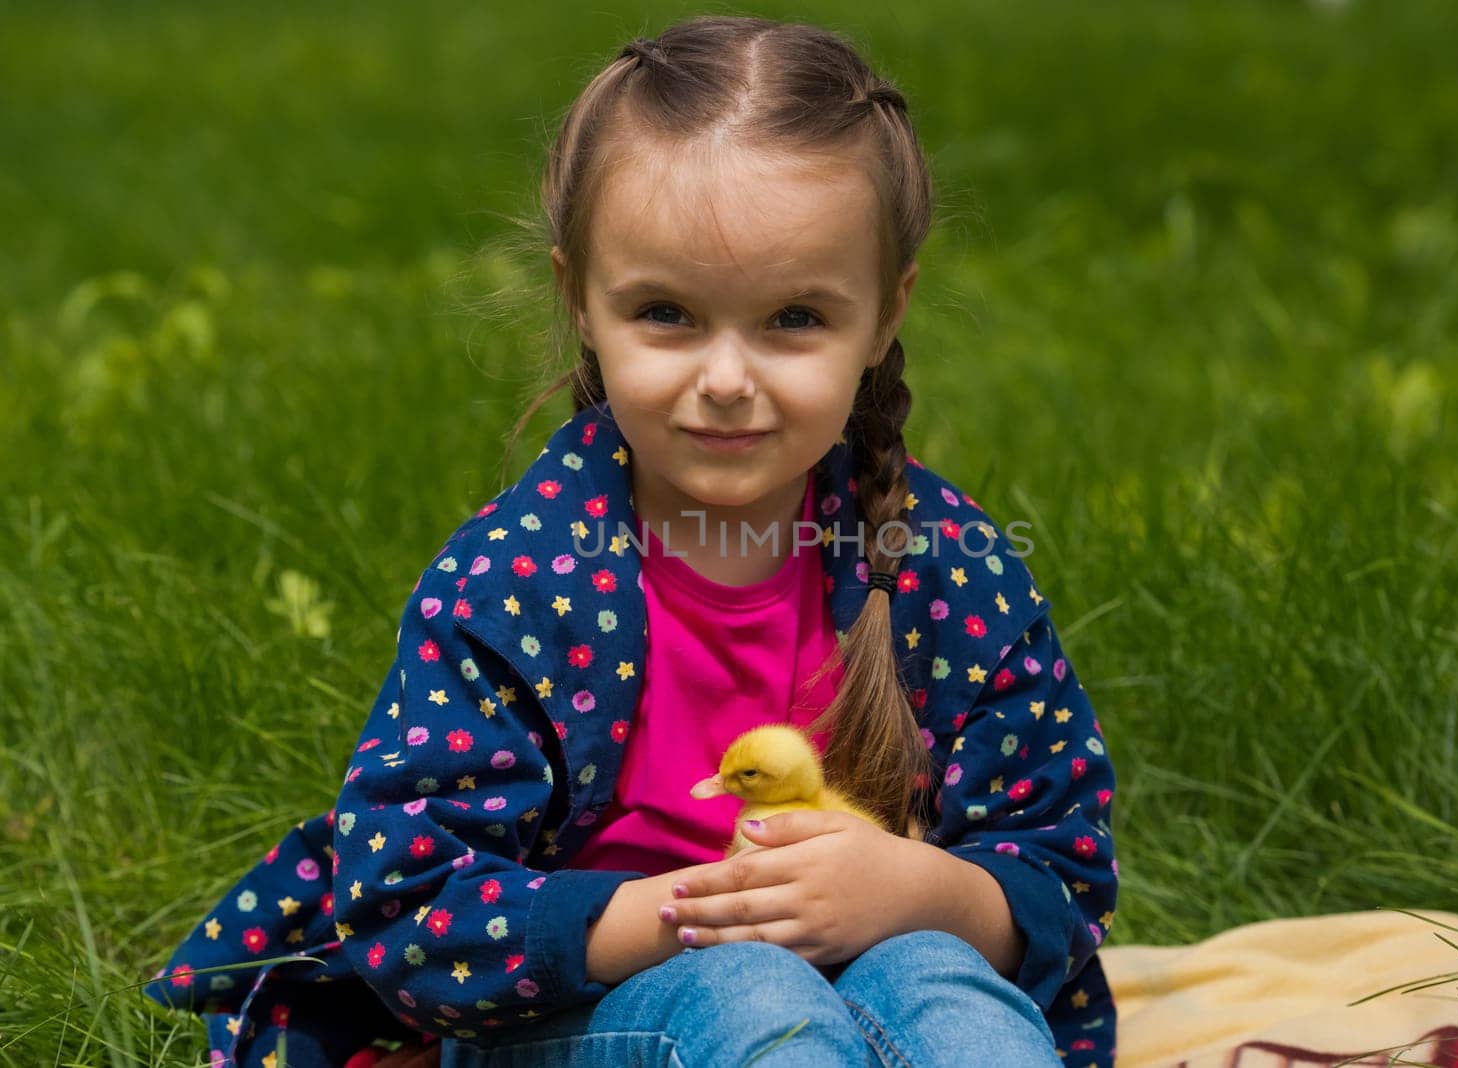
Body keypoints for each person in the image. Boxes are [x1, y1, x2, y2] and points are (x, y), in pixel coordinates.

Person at [143, 15, 1117, 1067]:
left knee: (961, 1009)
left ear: (885, 315)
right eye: (667, 312)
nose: (728, 379)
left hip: (884, 963)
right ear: (581, 302)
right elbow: (408, 900)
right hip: (584, 1009)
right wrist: (683, 917)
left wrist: (921, 892)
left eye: (794, 318)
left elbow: (1060, 872)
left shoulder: (942, 566)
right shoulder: (515, 585)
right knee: (754, 1002)